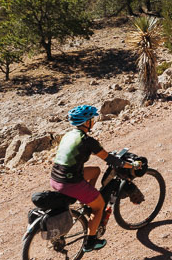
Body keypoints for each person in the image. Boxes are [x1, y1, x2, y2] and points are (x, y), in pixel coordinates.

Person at [51, 104, 121, 252]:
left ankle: (86, 200)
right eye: (92, 119)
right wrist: (124, 163)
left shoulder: (68, 135)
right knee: (99, 206)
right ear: (86, 122)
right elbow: (107, 158)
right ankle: (90, 242)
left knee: (95, 171)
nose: (93, 121)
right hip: (70, 183)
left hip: (56, 178)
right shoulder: (87, 140)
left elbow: (83, 152)